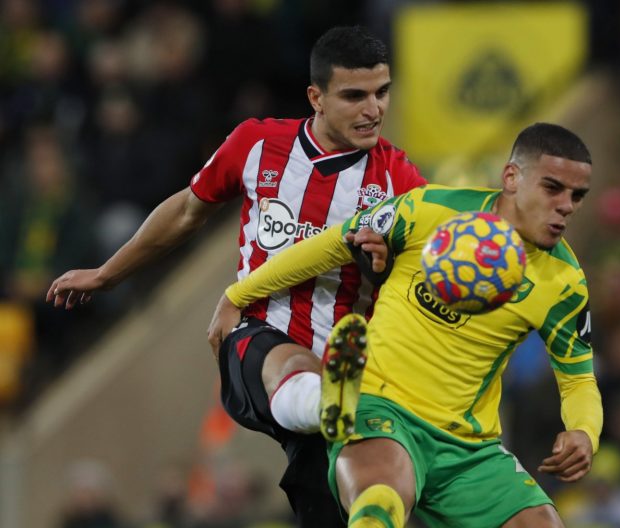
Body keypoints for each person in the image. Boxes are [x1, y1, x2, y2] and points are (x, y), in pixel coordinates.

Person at [46, 25, 426, 527]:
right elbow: (186, 211)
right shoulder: (258, 144)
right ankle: (326, 393)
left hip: (350, 370)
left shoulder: (401, 181)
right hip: (253, 339)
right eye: (354, 95)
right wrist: (107, 274)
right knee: (287, 361)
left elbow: (424, 283)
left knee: (346, 507)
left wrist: (384, 268)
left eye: (382, 93)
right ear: (315, 97)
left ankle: (331, 407)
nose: (373, 109)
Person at [209, 122, 603, 527]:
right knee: (380, 500)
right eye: (553, 188)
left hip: (469, 447)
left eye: (578, 196)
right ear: (511, 177)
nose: (567, 206)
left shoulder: (564, 282)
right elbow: (332, 244)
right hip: (380, 409)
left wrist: (583, 432)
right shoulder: (430, 210)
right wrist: (239, 294)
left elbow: (578, 379)